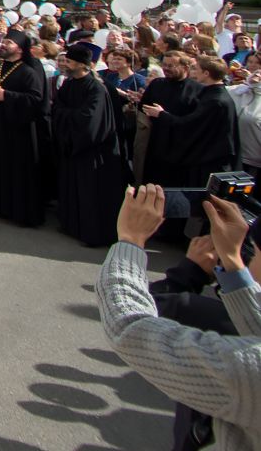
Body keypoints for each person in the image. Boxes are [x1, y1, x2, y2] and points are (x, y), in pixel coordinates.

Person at [99, 184, 261, 450]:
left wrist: (130, 240)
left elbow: (128, 328)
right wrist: (233, 263)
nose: (250, 252)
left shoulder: (249, 371)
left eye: (256, 248)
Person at [52, 42, 132, 246]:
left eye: (69, 62)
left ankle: (92, 233)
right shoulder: (70, 84)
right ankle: (71, 224)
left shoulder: (96, 88)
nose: (65, 65)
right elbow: (58, 107)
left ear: (82, 64)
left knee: (92, 194)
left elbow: (90, 119)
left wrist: (66, 116)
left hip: (94, 150)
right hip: (73, 146)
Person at [0, 30, 49, 228]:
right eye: (3, 41)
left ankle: (19, 211)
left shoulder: (28, 71)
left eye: (8, 42)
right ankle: (0, 206)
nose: (3, 44)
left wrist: (7, 96)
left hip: (19, 130)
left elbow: (36, 99)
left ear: (20, 49)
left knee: (18, 171)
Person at [147, 56, 241, 191]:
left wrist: (161, 114)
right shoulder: (214, 95)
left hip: (210, 162)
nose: (193, 72)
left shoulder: (215, 100)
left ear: (206, 73)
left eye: (196, 69)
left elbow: (189, 125)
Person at [141, 52, 202, 188]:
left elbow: (194, 122)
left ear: (185, 67)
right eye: (164, 65)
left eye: (171, 65)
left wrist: (163, 115)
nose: (166, 69)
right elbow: (144, 106)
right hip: (156, 145)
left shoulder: (198, 90)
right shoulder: (157, 84)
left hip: (182, 150)